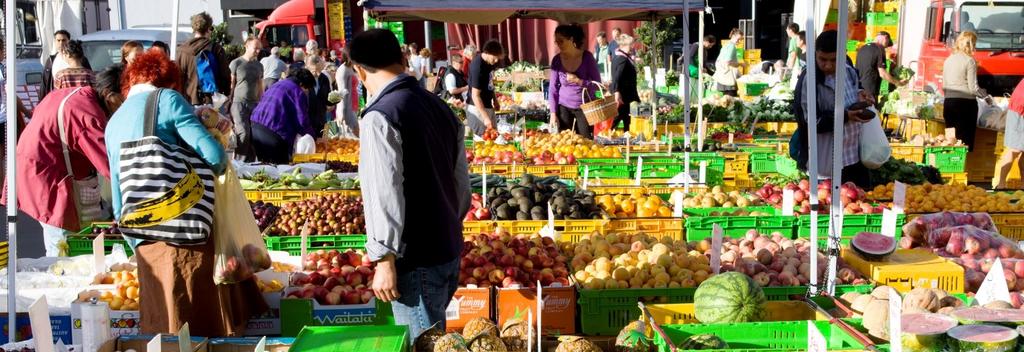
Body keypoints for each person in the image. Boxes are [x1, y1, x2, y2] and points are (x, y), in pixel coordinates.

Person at [105, 50, 267, 336]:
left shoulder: (114, 122)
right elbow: (215, 156)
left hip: (145, 242)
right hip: (185, 236)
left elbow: (119, 202)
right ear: (170, 82)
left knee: (162, 328)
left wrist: (140, 241)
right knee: (198, 329)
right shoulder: (167, 100)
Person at [347, 28, 470, 340]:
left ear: (359, 70)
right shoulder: (439, 107)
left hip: (415, 258)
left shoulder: (380, 116)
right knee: (437, 341)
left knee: (424, 344)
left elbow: (383, 192)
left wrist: (383, 258)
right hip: (446, 249)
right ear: (402, 60)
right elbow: (461, 186)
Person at [2, 65, 121, 257]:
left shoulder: (77, 94)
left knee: (64, 239)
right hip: (46, 180)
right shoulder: (87, 114)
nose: (122, 107)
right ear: (108, 93)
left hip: (38, 169)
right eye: (122, 100)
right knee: (62, 247)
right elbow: (111, 166)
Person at [792, 30, 875, 188]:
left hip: (854, 157)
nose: (828, 65)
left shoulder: (849, 70)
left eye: (834, 60)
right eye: (822, 59)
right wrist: (845, 116)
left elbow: (853, 90)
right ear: (815, 54)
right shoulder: (809, 80)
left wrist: (861, 94)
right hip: (825, 162)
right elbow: (810, 121)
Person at [249, 66, 317, 163]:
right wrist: (313, 137)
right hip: (273, 131)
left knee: (264, 164)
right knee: (278, 168)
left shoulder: (277, 84)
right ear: (302, 84)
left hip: (255, 126)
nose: (305, 91)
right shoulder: (297, 91)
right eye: (306, 89)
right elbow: (302, 121)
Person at [548, 24, 601, 138]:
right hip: (563, 108)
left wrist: (579, 81)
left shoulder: (587, 57)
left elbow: (597, 85)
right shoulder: (557, 60)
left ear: (571, 39)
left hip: (584, 108)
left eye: (561, 41)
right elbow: (552, 88)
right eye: (556, 41)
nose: (558, 44)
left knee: (585, 142)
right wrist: (553, 113)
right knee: (565, 142)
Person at [943, 31, 987, 151]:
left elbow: (944, 86)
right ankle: (963, 167)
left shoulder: (948, 60)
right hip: (965, 106)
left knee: (950, 141)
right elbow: (974, 88)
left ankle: (950, 166)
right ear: (971, 44)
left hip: (949, 104)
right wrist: (986, 97)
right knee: (964, 143)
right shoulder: (970, 61)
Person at [176, 12, 230, 105]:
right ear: (208, 29)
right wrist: (227, 94)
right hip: (210, 100)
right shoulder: (216, 49)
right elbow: (225, 75)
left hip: (187, 101)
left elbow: (177, 77)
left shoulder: (181, 50)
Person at [228, 37, 264, 161]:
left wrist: (262, 102)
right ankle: (238, 162)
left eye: (259, 48)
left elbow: (260, 85)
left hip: (254, 104)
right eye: (255, 48)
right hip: (239, 103)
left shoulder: (259, 65)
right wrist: (229, 103)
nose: (258, 51)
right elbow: (231, 85)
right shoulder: (236, 63)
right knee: (243, 133)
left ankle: (250, 163)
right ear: (247, 46)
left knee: (253, 135)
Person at [465, 40, 505, 137]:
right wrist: (486, 118)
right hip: (477, 109)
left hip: (487, 106)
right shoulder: (478, 67)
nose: (496, 61)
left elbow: (490, 83)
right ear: (487, 52)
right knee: (482, 140)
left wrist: (495, 100)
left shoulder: (489, 63)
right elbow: (475, 96)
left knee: (495, 138)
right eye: (495, 58)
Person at [40, 29, 92, 100]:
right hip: (57, 101)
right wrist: (42, 102)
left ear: (69, 41)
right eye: (58, 40)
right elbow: (45, 84)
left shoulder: (80, 59)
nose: (61, 43)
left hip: (80, 100)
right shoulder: (50, 60)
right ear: (55, 42)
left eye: (64, 40)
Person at [856, 32, 905, 100]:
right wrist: (897, 83)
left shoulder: (862, 48)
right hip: (870, 91)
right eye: (887, 44)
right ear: (885, 37)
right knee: (872, 110)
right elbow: (882, 73)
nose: (885, 47)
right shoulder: (879, 48)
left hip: (859, 89)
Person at [994, 78, 1024, 189]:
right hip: (1020, 109)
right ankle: (1001, 184)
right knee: (1014, 149)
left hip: (1019, 106)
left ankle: (1023, 185)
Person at [610, 34, 639, 133]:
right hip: (623, 95)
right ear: (624, 45)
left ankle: (626, 136)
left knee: (625, 118)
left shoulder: (619, 57)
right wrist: (617, 92)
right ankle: (609, 135)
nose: (632, 47)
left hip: (625, 95)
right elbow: (617, 77)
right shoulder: (622, 59)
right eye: (631, 44)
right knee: (618, 118)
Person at [305, 54, 331, 137]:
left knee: (323, 144)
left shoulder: (324, 78)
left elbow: (328, 98)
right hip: (307, 121)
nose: (317, 74)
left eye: (319, 70)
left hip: (322, 118)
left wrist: (333, 102)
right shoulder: (303, 80)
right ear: (308, 68)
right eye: (314, 71)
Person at [334, 51, 359, 136]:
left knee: (355, 135)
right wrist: (341, 111)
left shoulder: (350, 68)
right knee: (351, 136)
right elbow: (342, 91)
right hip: (347, 108)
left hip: (352, 107)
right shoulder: (343, 70)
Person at [713, 28, 743, 97]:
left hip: (721, 78)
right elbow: (727, 62)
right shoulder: (732, 46)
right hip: (728, 79)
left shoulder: (726, 45)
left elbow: (719, 60)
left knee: (725, 101)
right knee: (731, 101)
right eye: (738, 39)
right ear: (733, 36)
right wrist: (740, 64)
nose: (739, 41)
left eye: (741, 39)